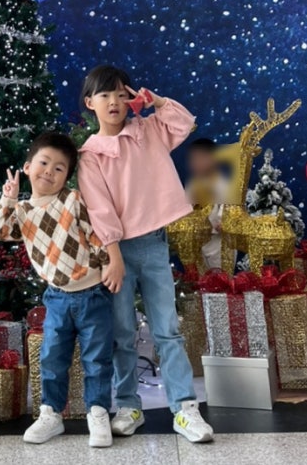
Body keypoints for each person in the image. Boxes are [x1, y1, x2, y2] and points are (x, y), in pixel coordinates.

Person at [77, 65, 214, 444]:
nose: (114, 102)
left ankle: (184, 408)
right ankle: (128, 405)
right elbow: (99, 208)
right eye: (105, 95)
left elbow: (184, 123)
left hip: (154, 244)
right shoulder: (90, 155)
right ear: (89, 103)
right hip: (117, 251)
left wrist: (157, 101)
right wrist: (113, 255)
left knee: (167, 330)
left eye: (122, 94)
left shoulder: (148, 131)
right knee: (122, 333)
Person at [0, 130, 114, 448]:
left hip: (93, 293)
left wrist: (108, 266)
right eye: (43, 163)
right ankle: (50, 414)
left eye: (59, 168)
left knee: (97, 358)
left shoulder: (72, 200)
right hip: (57, 297)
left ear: (67, 177)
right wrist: (9, 198)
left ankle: (98, 412)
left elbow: (94, 234)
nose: (49, 171)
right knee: (52, 358)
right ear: (28, 167)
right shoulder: (23, 211)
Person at [185, 137, 229, 271]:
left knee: (220, 276)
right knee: (199, 275)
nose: (195, 163)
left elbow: (227, 206)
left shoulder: (222, 184)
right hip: (197, 239)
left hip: (218, 240)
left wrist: (222, 221)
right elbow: (184, 206)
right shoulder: (192, 184)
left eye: (200, 158)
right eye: (193, 159)